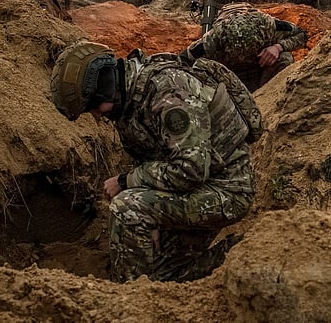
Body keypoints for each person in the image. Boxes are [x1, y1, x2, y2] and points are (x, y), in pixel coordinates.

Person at [49, 40, 255, 282]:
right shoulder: (131, 97)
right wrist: (154, 215)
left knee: (127, 208)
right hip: (194, 189)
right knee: (163, 274)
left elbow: (190, 169)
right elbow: (155, 155)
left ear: (104, 88)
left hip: (226, 191)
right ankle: (237, 253)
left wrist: (128, 183)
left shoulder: (168, 93)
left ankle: (131, 301)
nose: (95, 116)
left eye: (93, 107)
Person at [180, 2, 308, 92]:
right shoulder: (212, 40)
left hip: (261, 68)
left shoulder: (268, 26)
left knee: (284, 58)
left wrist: (278, 47)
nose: (243, 58)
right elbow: (182, 60)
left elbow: (301, 35)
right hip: (229, 76)